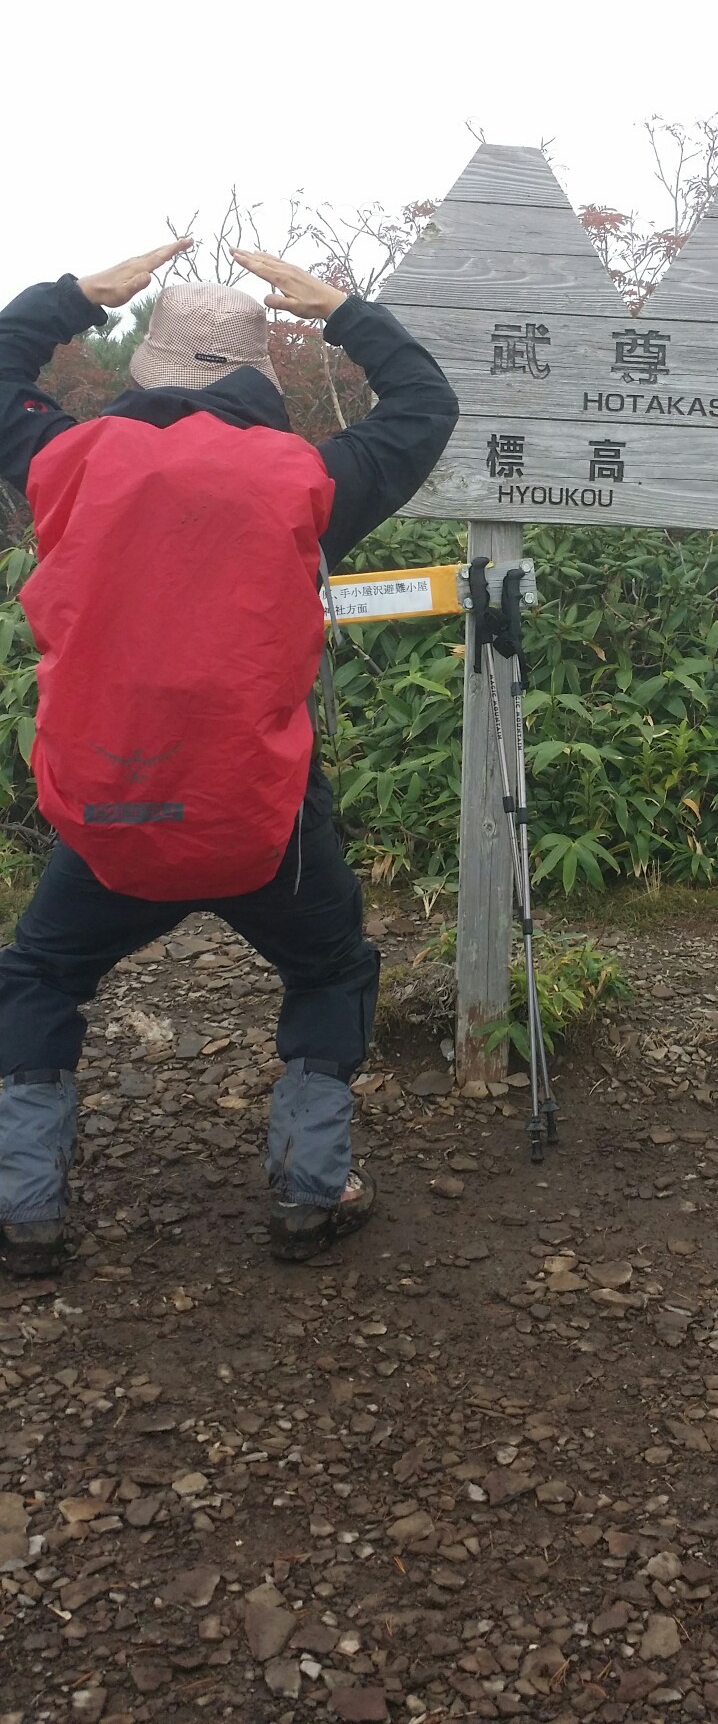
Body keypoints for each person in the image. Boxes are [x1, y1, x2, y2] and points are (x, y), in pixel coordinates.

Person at [0, 240, 458, 1274]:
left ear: (143, 368)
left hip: (108, 815)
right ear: (256, 380)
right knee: (330, 964)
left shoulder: (59, 463)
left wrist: (75, 298)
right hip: (261, 818)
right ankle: (309, 1189)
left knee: (38, 975)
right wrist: (340, 308)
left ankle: (25, 1205)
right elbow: (425, 406)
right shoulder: (310, 480)